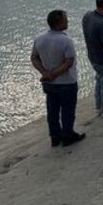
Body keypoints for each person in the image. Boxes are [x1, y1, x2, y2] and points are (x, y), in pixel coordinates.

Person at [31, 10, 84, 147]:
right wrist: (53, 74)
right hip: (67, 82)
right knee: (67, 110)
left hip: (49, 83)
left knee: (52, 110)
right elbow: (68, 62)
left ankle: (55, 136)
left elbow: (34, 58)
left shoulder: (39, 39)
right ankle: (68, 135)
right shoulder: (66, 41)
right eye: (66, 19)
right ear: (59, 22)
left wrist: (44, 72)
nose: (68, 21)